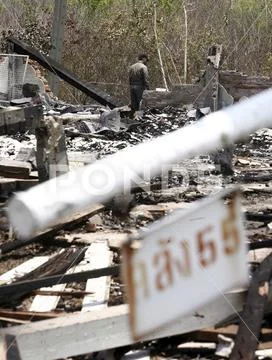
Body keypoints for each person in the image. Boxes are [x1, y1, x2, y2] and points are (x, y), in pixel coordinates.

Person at [129, 54, 150, 118]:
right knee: (140, 104)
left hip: (132, 87)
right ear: (144, 59)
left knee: (134, 104)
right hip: (140, 87)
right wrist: (148, 89)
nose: (147, 62)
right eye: (146, 60)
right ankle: (139, 119)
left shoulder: (132, 67)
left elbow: (130, 78)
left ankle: (132, 119)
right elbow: (145, 79)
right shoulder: (143, 67)